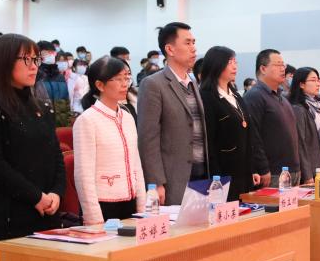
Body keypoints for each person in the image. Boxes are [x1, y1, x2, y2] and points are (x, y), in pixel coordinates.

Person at [0, 34, 65, 261]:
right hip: (8, 217)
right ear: (4, 62)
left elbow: (56, 155)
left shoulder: (42, 107)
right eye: (26, 60)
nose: (34, 66)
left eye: (36, 60)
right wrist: (36, 197)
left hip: (47, 213)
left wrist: (56, 193)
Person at [137, 22, 209, 205]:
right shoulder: (153, 84)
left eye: (194, 42)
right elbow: (148, 138)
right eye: (187, 43)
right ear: (170, 49)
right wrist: (155, 182)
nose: (193, 48)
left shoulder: (193, 83)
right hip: (173, 178)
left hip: (201, 175)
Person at [74, 57, 145, 225]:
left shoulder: (127, 117)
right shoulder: (87, 120)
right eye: (118, 79)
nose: (125, 84)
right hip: (103, 205)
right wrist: (93, 218)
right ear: (100, 85)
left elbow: (136, 164)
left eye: (127, 78)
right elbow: (84, 175)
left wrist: (142, 206)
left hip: (131, 202)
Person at [200, 46, 258, 201]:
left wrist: (253, 168)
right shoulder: (206, 97)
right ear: (216, 64)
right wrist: (216, 177)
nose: (235, 66)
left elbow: (248, 134)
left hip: (243, 171)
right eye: (229, 62)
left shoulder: (236, 95)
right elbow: (209, 142)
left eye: (235, 62)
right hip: (223, 173)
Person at [243, 49, 299, 187]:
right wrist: (262, 168)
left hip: (292, 171)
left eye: (283, 65)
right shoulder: (254, 96)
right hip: (272, 173)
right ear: (263, 69)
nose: (283, 69)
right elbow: (253, 136)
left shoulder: (283, 98)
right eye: (278, 65)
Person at [289, 67, 320, 181]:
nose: (318, 84)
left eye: (318, 80)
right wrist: (307, 175)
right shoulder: (298, 109)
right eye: (313, 80)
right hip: (310, 171)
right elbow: (300, 144)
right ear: (301, 84)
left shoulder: (318, 106)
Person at [35, 41, 71, 126]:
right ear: (38, 55)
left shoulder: (60, 77)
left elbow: (66, 102)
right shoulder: (35, 76)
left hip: (61, 123)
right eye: (46, 52)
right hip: (42, 124)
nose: (51, 55)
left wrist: (68, 122)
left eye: (52, 52)